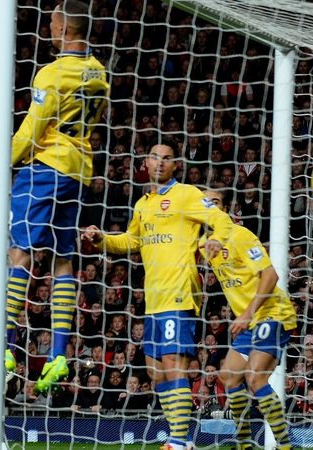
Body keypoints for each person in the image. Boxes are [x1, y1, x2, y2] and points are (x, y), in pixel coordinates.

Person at [0, 0, 109, 394]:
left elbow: (31, 131)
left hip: (45, 170)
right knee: (63, 260)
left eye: (52, 22)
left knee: (21, 254)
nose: (48, 27)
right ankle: (59, 354)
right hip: (80, 170)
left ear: (65, 28)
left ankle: (5, 351)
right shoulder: (99, 73)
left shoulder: (53, 74)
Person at [81, 137, 234, 450]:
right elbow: (130, 241)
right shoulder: (143, 204)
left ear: (176, 164)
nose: (160, 162)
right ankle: (180, 439)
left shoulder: (188, 194)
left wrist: (216, 237)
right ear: (146, 163)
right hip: (152, 301)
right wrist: (100, 239)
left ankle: (179, 441)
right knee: (155, 372)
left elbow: (220, 219)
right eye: (154, 156)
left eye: (166, 157)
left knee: (172, 363)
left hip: (179, 294)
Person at [200, 186, 294, 450]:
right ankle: (244, 445)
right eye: (205, 204)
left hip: (271, 313)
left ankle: (286, 446)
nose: (210, 208)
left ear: (225, 208)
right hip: (250, 320)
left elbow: (271, 275)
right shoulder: (205, 244)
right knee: (228, 377)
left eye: (215, 202)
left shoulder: (240, 236)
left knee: (255, 378)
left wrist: (247, 313)